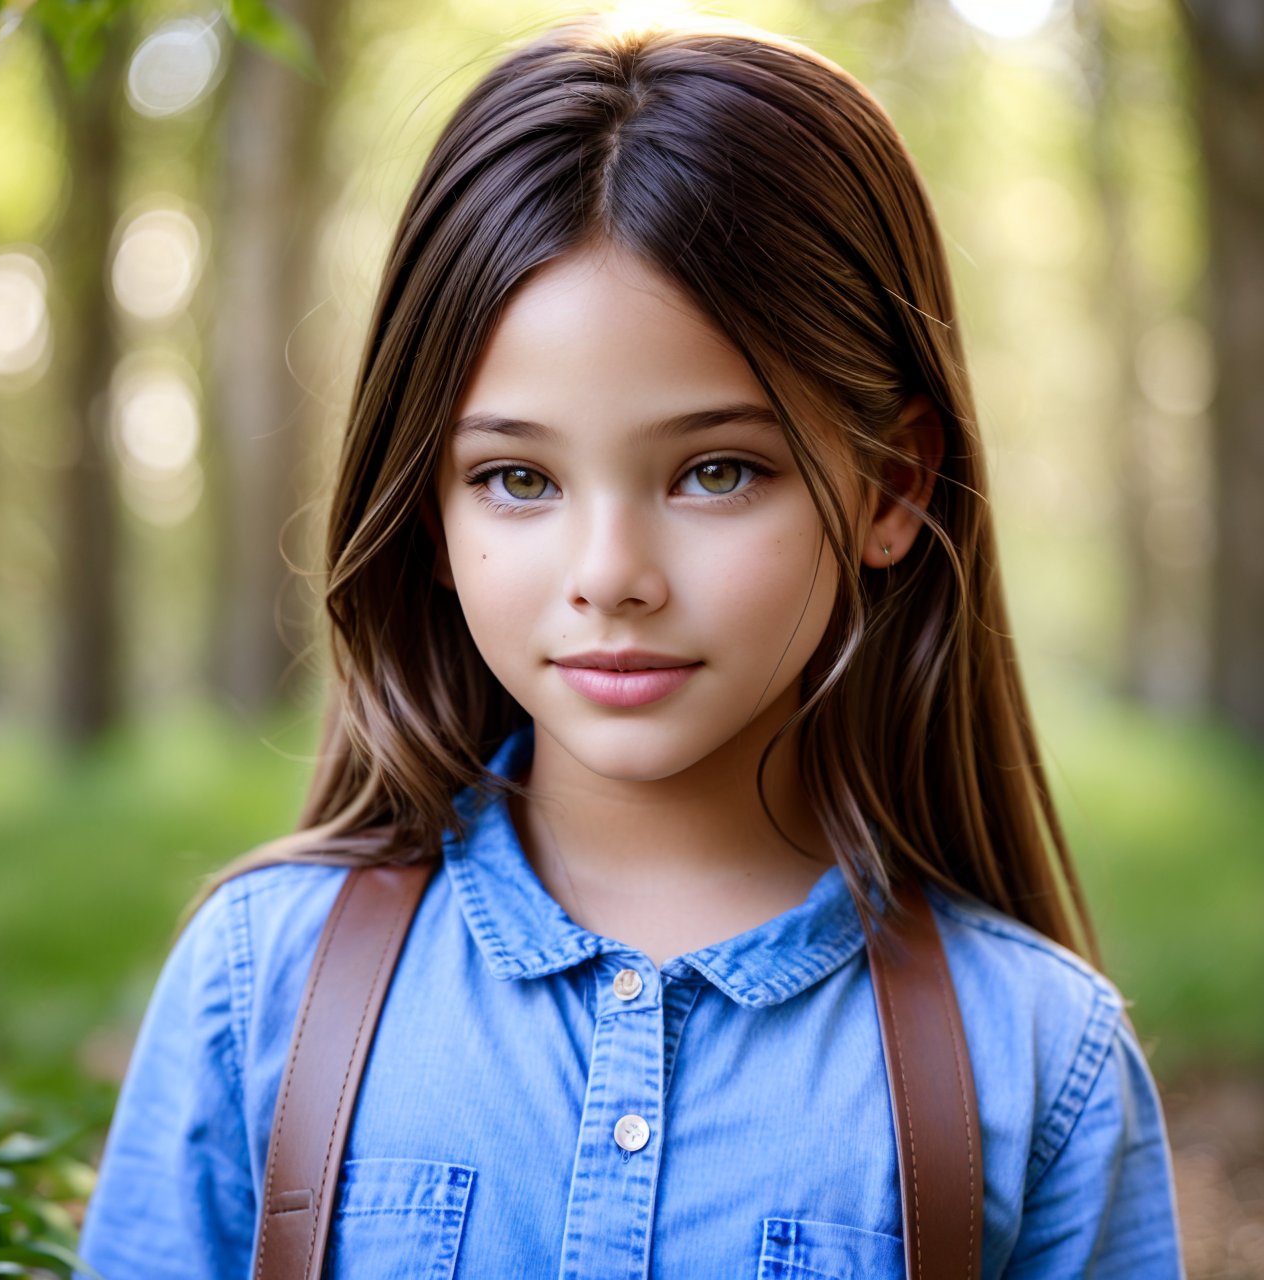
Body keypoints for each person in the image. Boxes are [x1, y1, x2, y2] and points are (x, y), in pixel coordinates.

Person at [76, 12, 1185, 1278]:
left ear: (891, 487)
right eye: (514, 477)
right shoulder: (256, 986)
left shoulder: (1038, 1061)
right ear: (426, 511)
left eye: (716, 470)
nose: (610, 576)